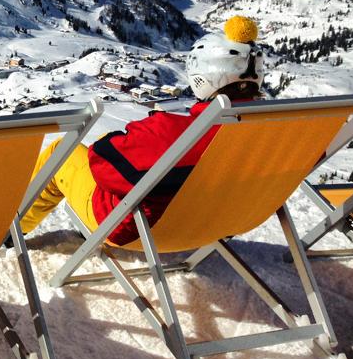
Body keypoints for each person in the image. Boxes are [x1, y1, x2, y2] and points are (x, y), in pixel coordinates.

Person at [20, 15, 264, 245]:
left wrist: (113, 143)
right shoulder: (268, 137)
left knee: (59, 154)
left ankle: (12, 229)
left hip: (134, 230)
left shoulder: (171, 133)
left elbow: (102, 168)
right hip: (211, 225)